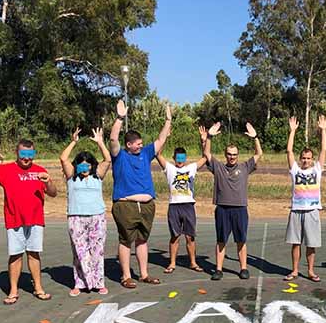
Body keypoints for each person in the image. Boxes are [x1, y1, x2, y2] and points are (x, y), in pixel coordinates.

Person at [0, 139, 58, 304]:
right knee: (15, 255)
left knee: (34, 253)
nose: (26, 158)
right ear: (17, 153)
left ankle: (38, 288)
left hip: (35, 219)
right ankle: (13, 291)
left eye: (30, 154)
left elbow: (53, 193)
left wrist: (48, 182)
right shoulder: (5, 169)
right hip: (14, 219)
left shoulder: (40, 170)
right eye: (23, 154)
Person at [109, 100, 172, 288]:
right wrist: (120, 118)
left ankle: (144, 274)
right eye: (137, 144)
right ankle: (126, 276)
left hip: (147, 205)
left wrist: (168, 120)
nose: (140, 146)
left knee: (142, 240)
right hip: (126, 205)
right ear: (128, 144)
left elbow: (161, 140)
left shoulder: (145, 153)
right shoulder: (119, 156)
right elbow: (113, 140)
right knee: (126, 240)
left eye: (141, 143)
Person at [202, 120, 263, 280]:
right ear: (225, 155)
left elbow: (259, 154)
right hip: (222, 209)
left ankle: (243, 268)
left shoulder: (245, 167)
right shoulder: (218, 167)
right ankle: (218, 269)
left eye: (235, 154)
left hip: (240, 209)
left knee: (241, 240)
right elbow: (207, 154)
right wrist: (209, 137)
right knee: (221, 240)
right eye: (229, 154)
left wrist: (255, 137)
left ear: (238, 155)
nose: (232, 157)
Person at [59, 125, 111, 296]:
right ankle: (80, 283)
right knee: (79, 251)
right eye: (81, 165)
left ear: (92, 165)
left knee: (97, 250)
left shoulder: (97, 176)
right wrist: (73, 142)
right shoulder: (71, 176)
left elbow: (107, 159)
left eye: (87, 165)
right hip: (76, 217)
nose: (84, 168)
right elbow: (63, 158)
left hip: (97, 217)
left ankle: (98, 282)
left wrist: (100, 142)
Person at [155, 125, 209, 274]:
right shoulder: (169, 168)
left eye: (182, 158)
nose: (180, 161)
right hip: (174, 206)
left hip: (188, 206)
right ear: (174, 158)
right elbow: (158, 153)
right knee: (175, 236)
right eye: (177, 158)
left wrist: (203, 141)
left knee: (190, 237)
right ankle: (172, 263)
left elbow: (205, 157)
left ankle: (193, 262)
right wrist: (166, 137)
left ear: (185, 159)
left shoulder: (191, 168)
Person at [284, 115, 326, 282]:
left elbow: (323, 150)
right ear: (300, 159)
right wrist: (292, 131)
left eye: (309, 158)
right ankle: (294, 270)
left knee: (311, 243)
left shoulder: (317, 169)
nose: (306, 160)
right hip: (296, 210)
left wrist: (323, 130)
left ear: (312, 159)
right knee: (296, 243)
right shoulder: (295, 170)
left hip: (312, 211)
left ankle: (310, 271)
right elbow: (289, 151)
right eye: (304, 158)